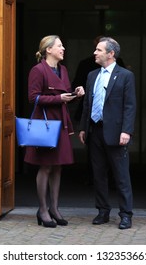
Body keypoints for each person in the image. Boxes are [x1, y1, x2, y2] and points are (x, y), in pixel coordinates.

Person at [25, 35, 85, 228]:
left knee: (58, 166)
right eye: (59, 46)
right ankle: (43, 210)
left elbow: (63, 95)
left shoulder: (63, 70)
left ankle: (54, 208)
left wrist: (76, 95)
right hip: (45, 124)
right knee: (46, 166)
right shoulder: (38, 70)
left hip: (61, 123)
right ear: (48, 49)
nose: (63, 48)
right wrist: (59, 99)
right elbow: (33, 98)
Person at [79, 37, 136, 230]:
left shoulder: (125, 75)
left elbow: (129, 106)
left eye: (99, 50)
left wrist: (126, 131)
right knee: (98, 174)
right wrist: (83, 128)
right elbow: (87, 104)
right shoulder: (91, 75)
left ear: (111, 54)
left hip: (116, 133)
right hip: (95, 131)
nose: (94, 53)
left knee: (121, 176)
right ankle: (103, 211)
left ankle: (125, 214)